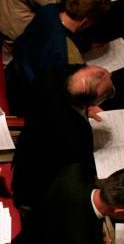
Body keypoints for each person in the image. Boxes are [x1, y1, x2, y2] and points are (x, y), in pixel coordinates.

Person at [11, 65, 113, 209]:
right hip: (40, 184)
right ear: (94, 102)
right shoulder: (76, 136)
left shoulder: (52, 77)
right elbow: (78, 171)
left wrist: (85, 109)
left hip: (26, 153)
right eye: (109, 94)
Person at [5, 0, 111, 109]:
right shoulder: (66, 53)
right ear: (86, 20)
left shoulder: (49, 10)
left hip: (12, 73)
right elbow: (59, 91)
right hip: (25, 95)